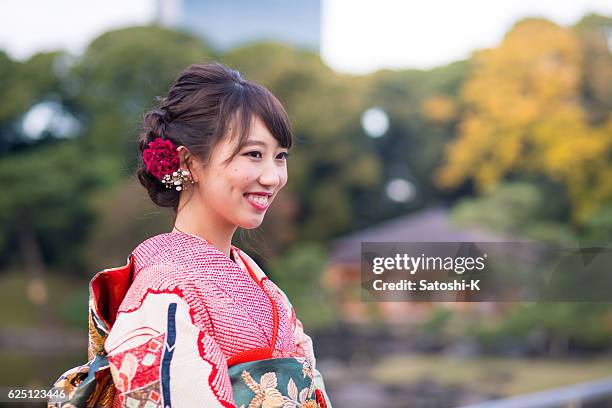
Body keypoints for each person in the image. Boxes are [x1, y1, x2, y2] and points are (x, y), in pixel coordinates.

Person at [49, 62, 331, 408]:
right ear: (187, 162)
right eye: (254, 154)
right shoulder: (162, 291)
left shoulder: (258, 283)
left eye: (280, 156)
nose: (273, 177)